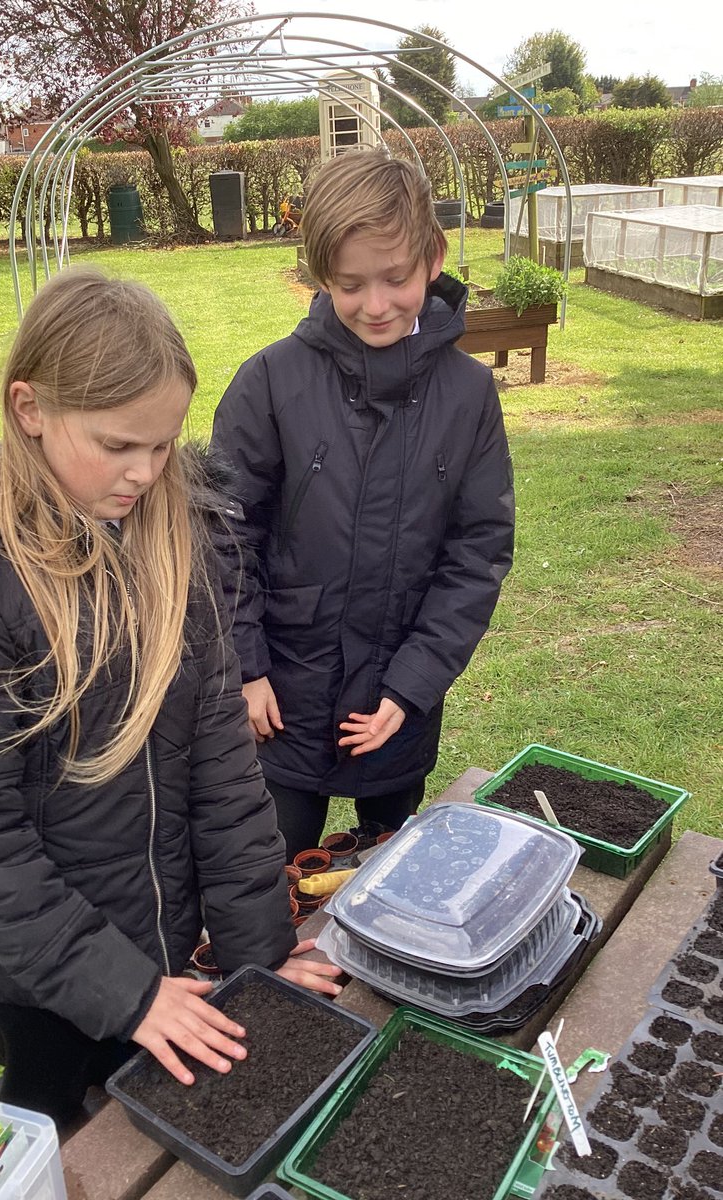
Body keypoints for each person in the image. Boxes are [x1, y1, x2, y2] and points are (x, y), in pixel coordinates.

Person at [0, 268, 340, 1130]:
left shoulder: (169, 548)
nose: (146, 474)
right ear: (30, 408)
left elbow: (223, 770)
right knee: (63, 1128)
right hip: (33, 976)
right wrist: (125, 993)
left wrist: (260, 956)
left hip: (161, 949)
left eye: (163, 446)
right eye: (118, 446)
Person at [210, 149, 515, 862]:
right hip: (282, 700)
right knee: (273, 879)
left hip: (396, 698)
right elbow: (221, 535)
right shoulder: (269, 382)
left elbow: (477, 555)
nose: (375, 305)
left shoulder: (469, 396)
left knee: (392, 868)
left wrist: (410, 689)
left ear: (432, 258)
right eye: (350, 285)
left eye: (395, 279)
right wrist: (247, 669)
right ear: (320, 276)